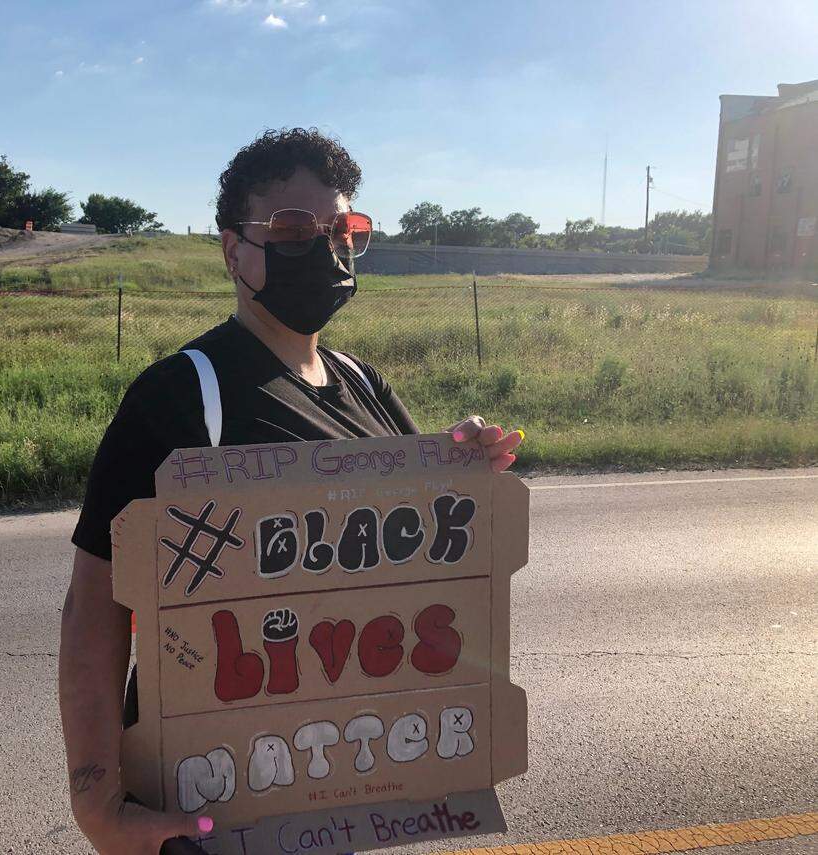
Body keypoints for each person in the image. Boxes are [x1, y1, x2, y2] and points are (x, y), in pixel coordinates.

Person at [59, 127, 524, 855]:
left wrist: (455, 461)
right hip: (206, 808)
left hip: (335, 790)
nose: (326, 246)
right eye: (293, 228)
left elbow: (395, 540)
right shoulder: (182, 397)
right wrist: (97, 804)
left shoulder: (365, 384)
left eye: (342, 228)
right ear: (232, 250)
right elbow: (93, 601)